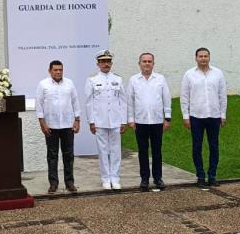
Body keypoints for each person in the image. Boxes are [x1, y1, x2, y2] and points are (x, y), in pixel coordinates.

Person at [180, 48, 227, 187]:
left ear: (209, 57)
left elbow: (222, 95)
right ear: (196, 58)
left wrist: (222, 114)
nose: (203, 59)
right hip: (196, 116)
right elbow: (184, 97)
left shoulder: (218, 74)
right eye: (200, 56)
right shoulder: (189, 75)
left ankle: (212, 176)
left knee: (214, 146)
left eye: (206, 56)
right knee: (197, 147)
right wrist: (185, 116)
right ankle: (200, 176)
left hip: (214, 115)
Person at [127, 53, 171, 192]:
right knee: (143, 151)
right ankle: (144, 179)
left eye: (149, 61)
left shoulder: (160, 79)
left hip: (157, 121)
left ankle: (158, 178)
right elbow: (130, 102)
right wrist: (131, 119)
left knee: (157, 151)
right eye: (144, 61)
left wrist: (167, 117)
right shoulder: (134, 80)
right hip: (140, 122)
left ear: (153, 63)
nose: (147, 63)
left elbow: (166, 98)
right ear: (139, 63)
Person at [36, 60, 81, 193]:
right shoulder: (43, 84)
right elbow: (39, 105)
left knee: (69, 155)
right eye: (55, 70)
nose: (58, 72)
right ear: (50, 71)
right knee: (52, 155)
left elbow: (75, 102)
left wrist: (77, 120)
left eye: (60, 70)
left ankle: (69, 182)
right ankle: (53, 183)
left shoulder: (69, 83)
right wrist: (42, 123)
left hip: (68, 125)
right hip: (51, 125)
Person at [85, 50, 127, 190]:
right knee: (103, 150)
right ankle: (105, 178)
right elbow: (89, 102)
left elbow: (123, 101)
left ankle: (115, 178)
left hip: (115, 120)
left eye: (108, 61)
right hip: (100, 121)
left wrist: (123, 120)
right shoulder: (92, 80)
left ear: (111, 63)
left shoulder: (118, 79)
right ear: (98, 64)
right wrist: (91, 121)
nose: (106, 64)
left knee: (115, 150)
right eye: (103, 61)